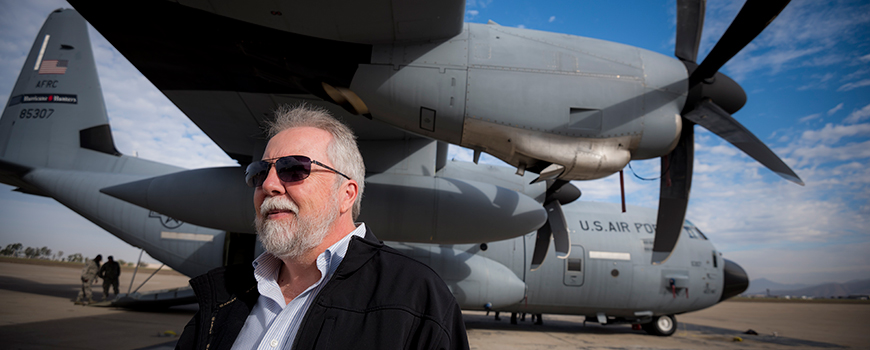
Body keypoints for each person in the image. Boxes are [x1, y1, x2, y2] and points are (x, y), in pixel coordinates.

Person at [177, 105, 469, 350]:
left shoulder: (417, 297)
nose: (268, 185)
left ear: (346, 194)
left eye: (294, 169)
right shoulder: (222, 295)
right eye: (260, 172)